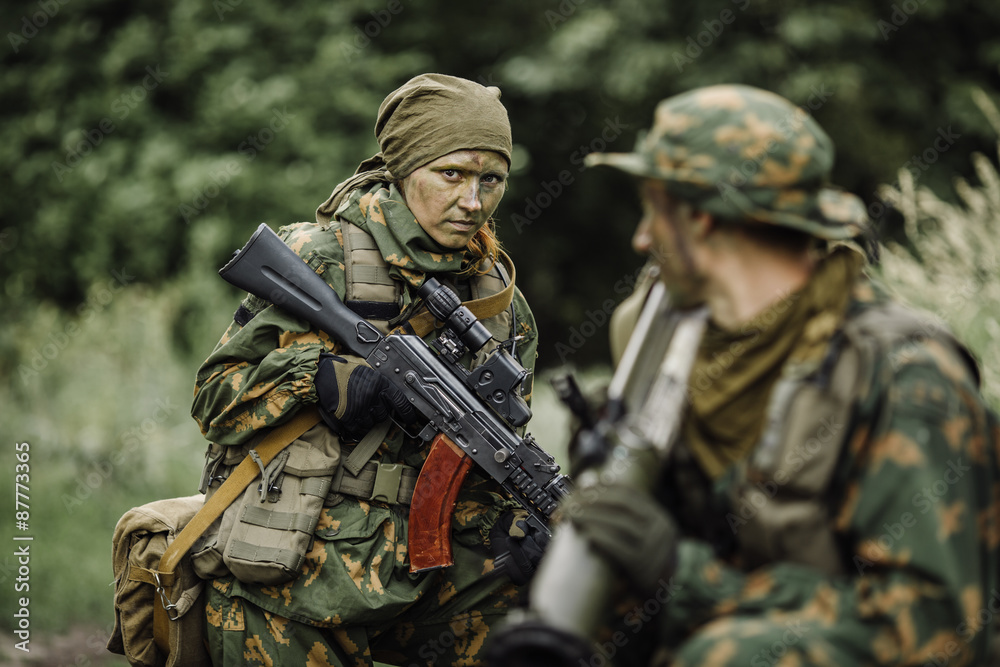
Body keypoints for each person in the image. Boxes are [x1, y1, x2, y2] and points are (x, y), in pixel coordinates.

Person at [559, 84, 999, 665]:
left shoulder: (904, 375)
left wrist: (681, 575)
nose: (642, 238)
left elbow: (939, 629)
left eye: (653, 211)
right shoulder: (680, 353)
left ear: (702, 219)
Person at [190, 73, 542, 667]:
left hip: (422, 569)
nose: (473, 201)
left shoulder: (499, 303)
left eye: (492, 180)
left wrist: (520, 529)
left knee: (560, 614)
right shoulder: (321, 257)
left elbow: (482, 465)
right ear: (406, 168)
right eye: (452, 174)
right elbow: (212, 401)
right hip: (290, 562)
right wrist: (321, 378)